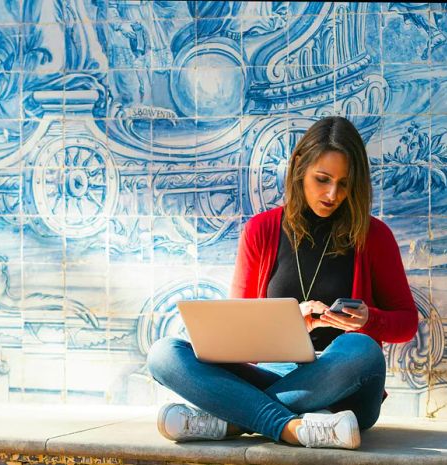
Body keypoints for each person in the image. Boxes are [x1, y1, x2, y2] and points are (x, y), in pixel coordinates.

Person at [146, 116, 418, 449]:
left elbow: (406, 323)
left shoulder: (375, 237)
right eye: (322, 179)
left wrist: (368, 319)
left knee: (361, 347)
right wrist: (288, 324)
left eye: (344, 184)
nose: (333, 194)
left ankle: (233, 420)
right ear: (299, 168)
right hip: (276, 375)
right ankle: (294, 427)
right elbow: (235, 333)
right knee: (163, 354)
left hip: (344, 383)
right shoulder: (261, 230)